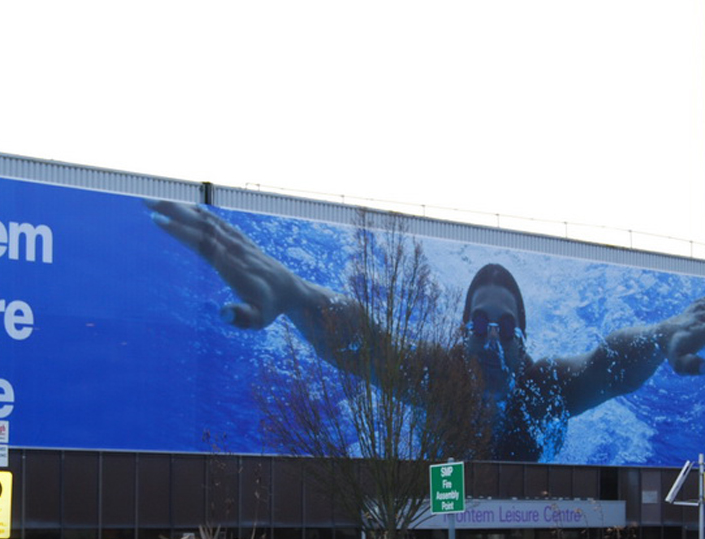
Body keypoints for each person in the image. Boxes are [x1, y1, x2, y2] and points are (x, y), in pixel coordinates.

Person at [148, 200, 705, 462]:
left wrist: (662, 333)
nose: (492, 338)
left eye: (507, 327)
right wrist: (295, 295)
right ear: (461, 333)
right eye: (479, 323)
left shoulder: (545, 387)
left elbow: (608, 363)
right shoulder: (435, 376)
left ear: (524, 341)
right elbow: (365, 341)